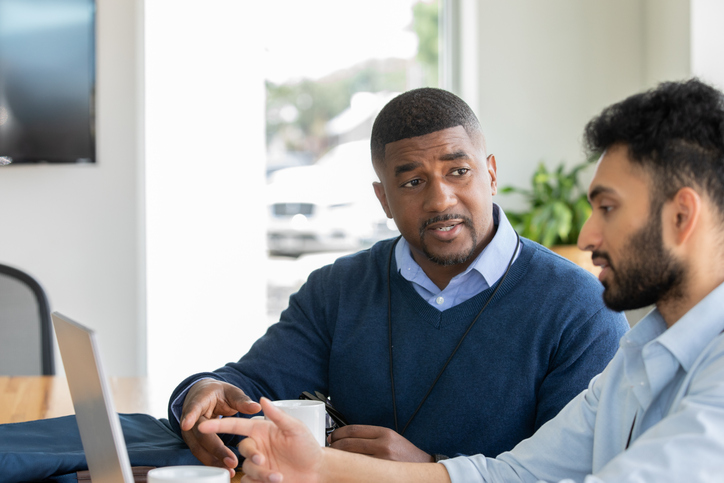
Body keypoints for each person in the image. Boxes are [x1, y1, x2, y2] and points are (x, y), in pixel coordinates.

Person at [199, 78, 724, 483]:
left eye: (607, 207)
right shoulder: (644, 353)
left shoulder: (589, 311)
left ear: (681, 217)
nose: (586, 235)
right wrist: (318, 464)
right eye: (412, 181)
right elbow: (513, 474)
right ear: (384, 197)